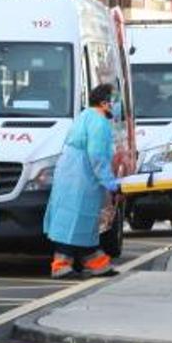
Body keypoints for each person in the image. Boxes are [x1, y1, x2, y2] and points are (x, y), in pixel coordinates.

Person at [44, 84, 123, 279]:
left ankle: (96, 263)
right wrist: (111, 184)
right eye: (115, 100)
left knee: (80, 221)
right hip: (81, 177)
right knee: (77, 219)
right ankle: (61, 266)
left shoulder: (86, 115)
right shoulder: (99, 122)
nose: (118, 105)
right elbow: (98, 156)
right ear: (105, 103)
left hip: (72, 173)